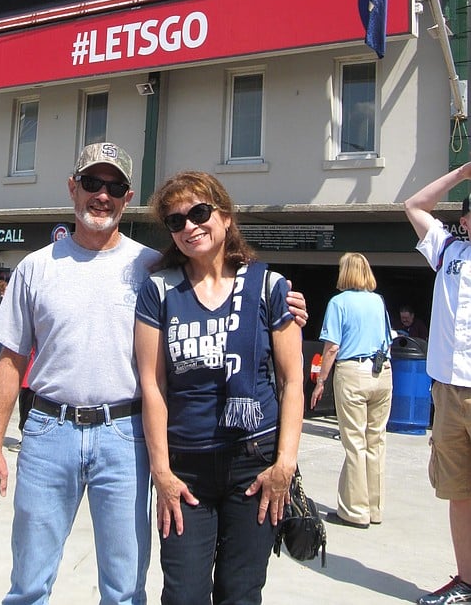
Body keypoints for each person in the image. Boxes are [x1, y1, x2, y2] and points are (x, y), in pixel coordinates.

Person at [0, 143, 308, 605]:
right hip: (50, 432)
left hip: (124, 435)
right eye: (91, 183)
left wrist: (284, 299)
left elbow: (239, 305)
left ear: (127, 197)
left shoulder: (151, 268)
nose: (102, 196)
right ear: (73, 188)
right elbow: (9, 362)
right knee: (29, 581)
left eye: (114, 187)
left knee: (125, 587)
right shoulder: (36, 268)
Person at [135, 171, 304, 605]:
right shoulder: (159, 290)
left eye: (199, 213)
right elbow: (153, 385)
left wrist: (284, 463)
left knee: (241, 593)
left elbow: (291, 382)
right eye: (176, 221)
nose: (189, 226)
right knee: (183, 594)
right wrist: (162, 473)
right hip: (186, 471)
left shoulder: (269, 287)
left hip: (255, 467)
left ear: (225, 217)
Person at [405, 169, 471, 605]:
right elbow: (414, 205)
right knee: (458, 491)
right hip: (448, 390)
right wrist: (465, 172)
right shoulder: (448, 248)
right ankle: (466, 582)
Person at [310, 252, 392, 529]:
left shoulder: (338, 303)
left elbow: (332, 346)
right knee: (376, 441)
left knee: (354, 442)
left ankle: (354, 511)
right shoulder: (378, 301)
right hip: (382, 373)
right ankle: (375, 508)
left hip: (353, 371)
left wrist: (321, 380)